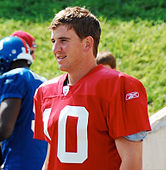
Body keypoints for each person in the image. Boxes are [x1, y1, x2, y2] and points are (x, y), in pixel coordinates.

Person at [33, 6, 151, 170]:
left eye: (64, 40)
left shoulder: (120, 85)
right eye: (53, 41)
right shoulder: (45, 92)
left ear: (87, 43)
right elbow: (51, 156)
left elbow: (132, 161)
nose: (55, 49)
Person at [0, 36, 47, 170]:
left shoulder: (15, 76)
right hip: (42, 161)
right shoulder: (43, 81)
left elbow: (4, 129)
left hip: (18, 163)